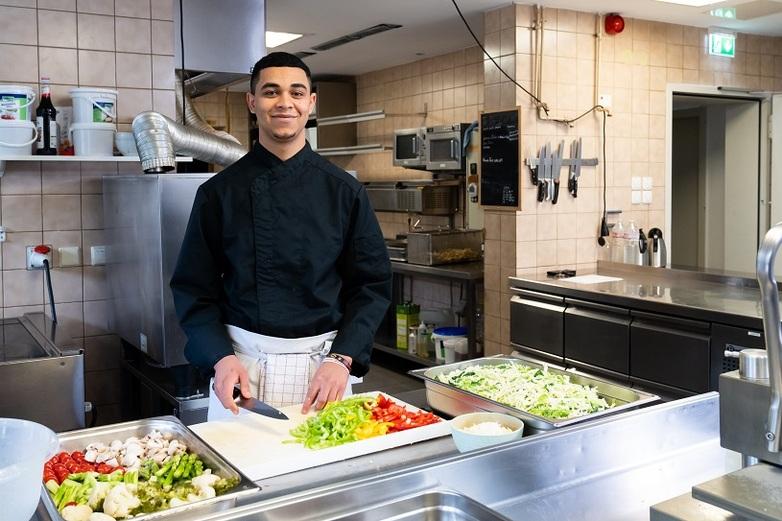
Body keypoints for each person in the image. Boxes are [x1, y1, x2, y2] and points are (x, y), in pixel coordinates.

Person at [170, 52, 392, 419]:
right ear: (252, 102)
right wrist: (219, 357)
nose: (285, 102)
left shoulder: (344, 191)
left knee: (328, 474)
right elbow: (194, 289)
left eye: (296, 92)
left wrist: (343, 358)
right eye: (271, 92)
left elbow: (371, 285)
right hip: (241, 370)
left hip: (325, 370)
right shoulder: (218, 193)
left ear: (311, 103)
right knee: (239, 471)